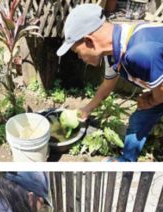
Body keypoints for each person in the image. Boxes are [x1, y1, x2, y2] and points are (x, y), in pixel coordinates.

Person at [58, 4, 163, 162]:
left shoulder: (139, 53)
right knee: (138, 120)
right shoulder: (113, 52)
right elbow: (107, 85)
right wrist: (87, 109)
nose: (80, 57)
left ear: (89, 41)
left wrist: (150, 100)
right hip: (158, 93)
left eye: (77, 52)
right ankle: (126, 161)